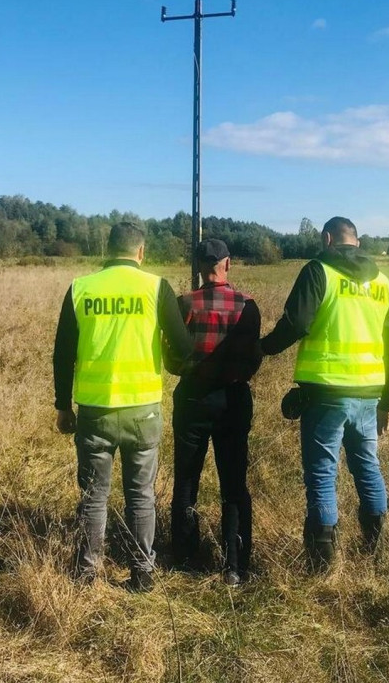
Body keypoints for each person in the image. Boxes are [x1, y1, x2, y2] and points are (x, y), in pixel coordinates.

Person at [53, 222, 193, 592]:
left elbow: (62, 353)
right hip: (143, 411)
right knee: (140, 495)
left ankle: (86, 573)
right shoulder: (156, 287)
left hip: (95, 411)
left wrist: (63, 406)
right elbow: (183, 346)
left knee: (94, 495)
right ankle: (142, 574)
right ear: (141, 252)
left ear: (108, 249)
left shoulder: (81, 288)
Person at [260, 216, 389, 571]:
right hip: (369, 392)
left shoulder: (318, 270)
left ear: (327, 239)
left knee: (323, 475)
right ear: (357, 240)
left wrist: (261, 349)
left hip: (325, 392)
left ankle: (322, 566)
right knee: (368, 467)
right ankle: (376, 551)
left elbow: (296, 323)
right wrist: (387, 403)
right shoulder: (383, 282)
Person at [167, 239, 262, 586]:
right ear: (228, 264)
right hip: (233, 399)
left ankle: (184, 557)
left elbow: (172, 358)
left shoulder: (184, 303)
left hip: (192, 397)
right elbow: (253, 358)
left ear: (197, 267)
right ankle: (235, 565)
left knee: (187, 478)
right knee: (234, 483)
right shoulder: (247, 306)